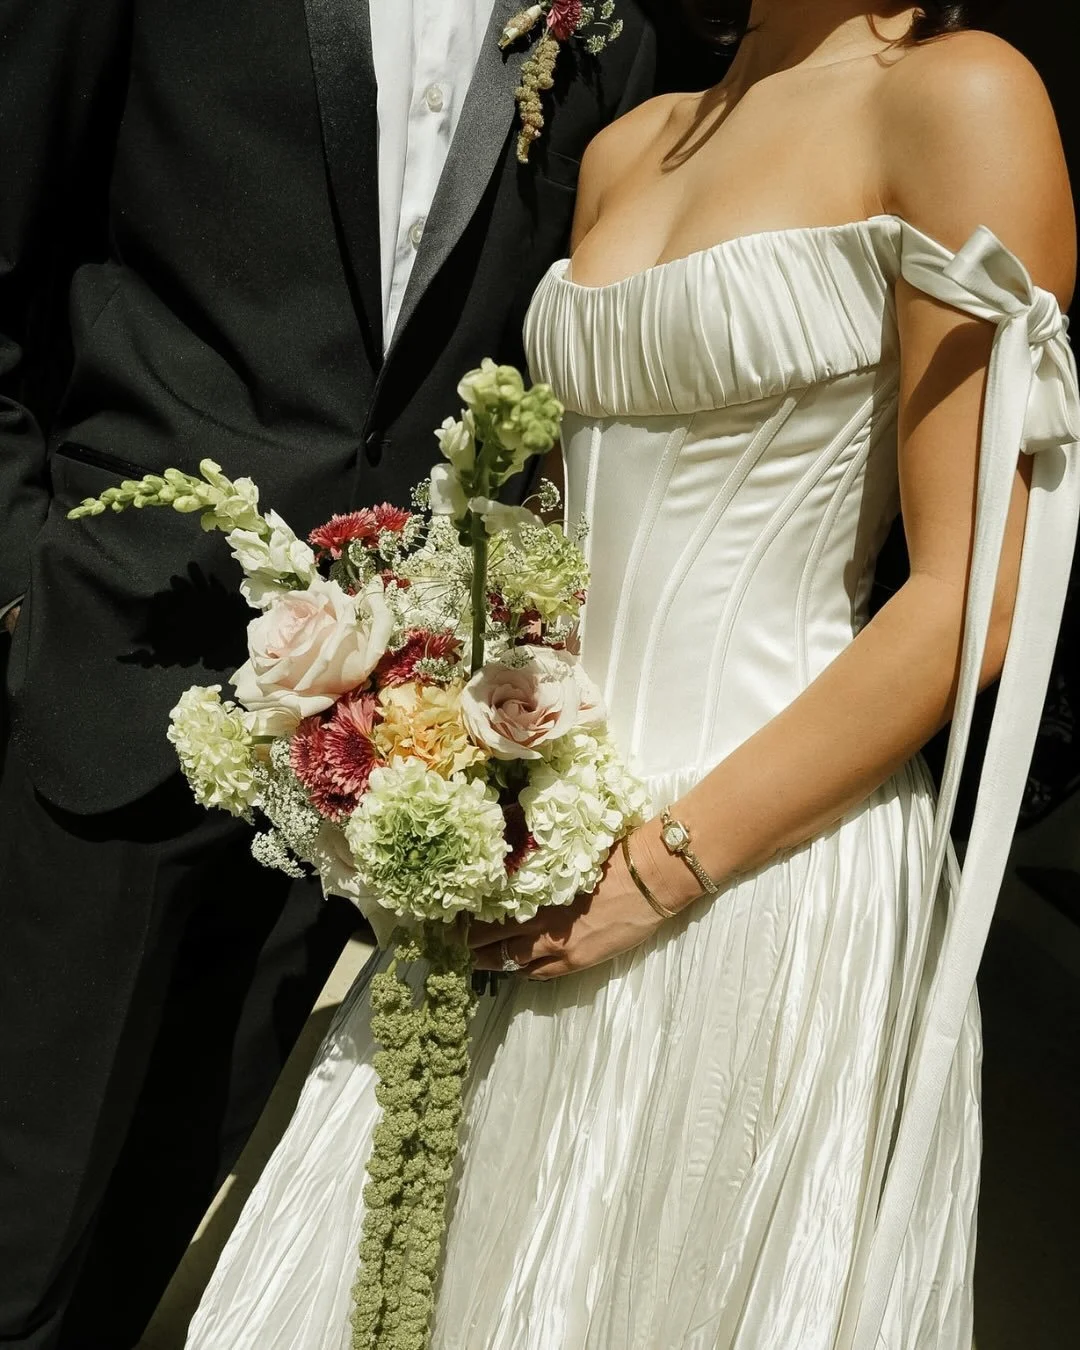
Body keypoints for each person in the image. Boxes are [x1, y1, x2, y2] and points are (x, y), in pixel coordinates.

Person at [183, 2, 1080, 1347]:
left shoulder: (961, 98)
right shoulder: (627, 142)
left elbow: (970, 598)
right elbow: (560, 548)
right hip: (531, 851)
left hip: (760, 876)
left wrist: (658, 869)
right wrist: (430, 726)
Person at [0, 3, 658, 1347]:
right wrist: (23, 584)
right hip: (108, 664)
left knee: (152, 1258)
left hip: (356, 767)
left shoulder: (610, 30)